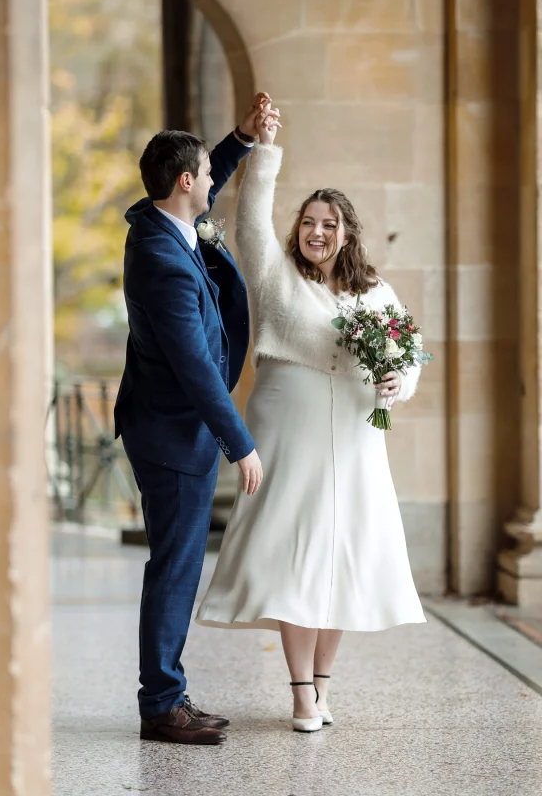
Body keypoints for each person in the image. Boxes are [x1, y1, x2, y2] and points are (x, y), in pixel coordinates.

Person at [196, 107, 426, 733]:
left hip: (355, 436)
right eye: (308, 222)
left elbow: (408, 358)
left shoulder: (375, 293)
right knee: (295, 556)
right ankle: (300, 693)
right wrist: (264, 148)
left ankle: (323, 686)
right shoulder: (275, 277)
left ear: (348, 234)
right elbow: (250, 215)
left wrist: (397, 383)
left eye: (329, 224)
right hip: (286, 426)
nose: (316, 232)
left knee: (343, 557)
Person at [114, 93, 280, 745]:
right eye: (207, 174)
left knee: (176, 563)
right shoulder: (161, 263)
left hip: (167, 425)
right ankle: (161, 704)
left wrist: (239, 138)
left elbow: (205, 165)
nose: (213, 179)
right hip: (171, 432)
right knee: (176, 567)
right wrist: (238, 443)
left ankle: (168, 693)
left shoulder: (163, 222)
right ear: (185, 184)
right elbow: (195, 369)